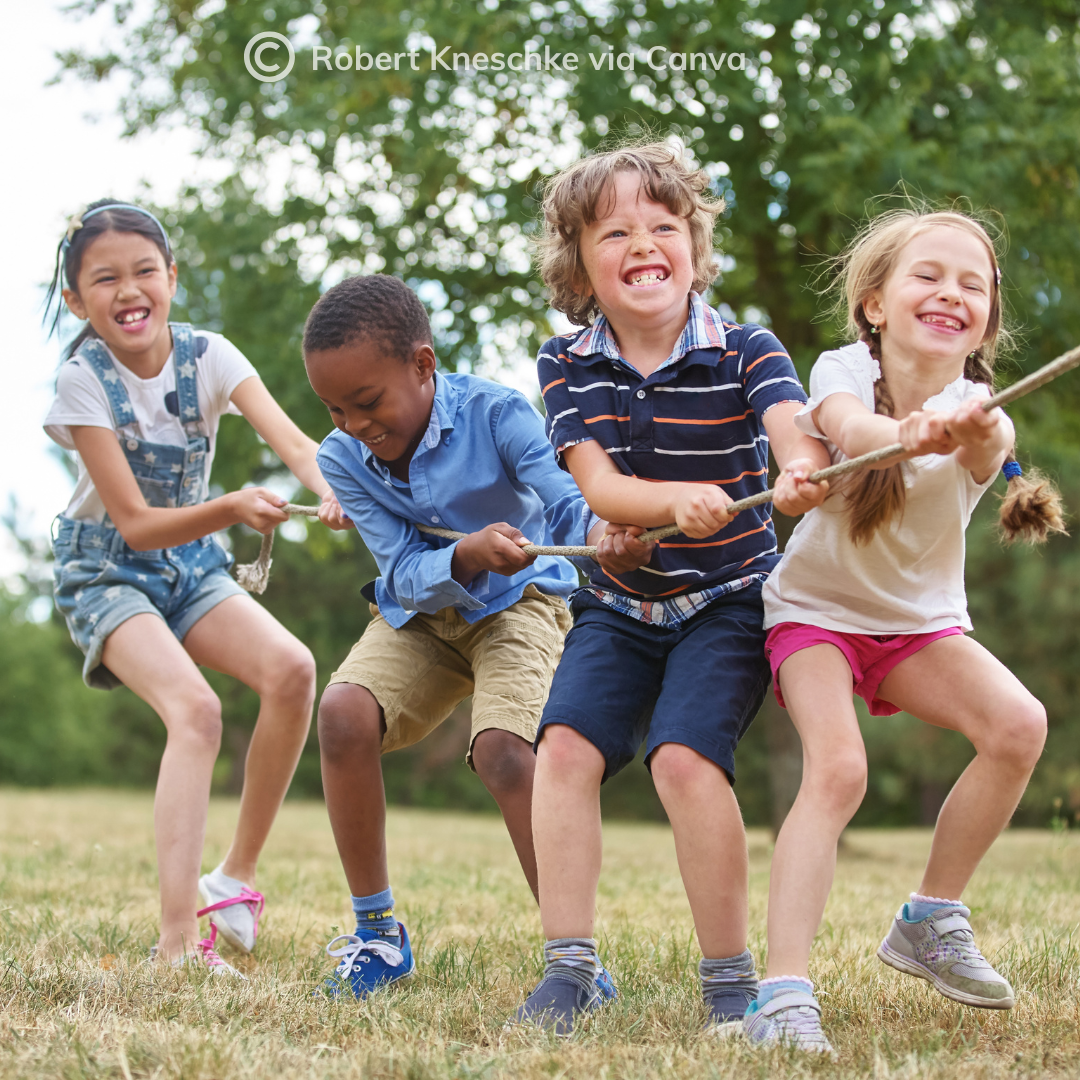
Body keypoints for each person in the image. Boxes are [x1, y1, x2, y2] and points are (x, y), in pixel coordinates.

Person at [520, 141, 831, 1036]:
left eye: (663, 225)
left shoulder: (746, 346)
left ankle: (729, 983)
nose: (642, 242)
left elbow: (790, 428)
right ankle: (569, 968)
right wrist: (670, 501)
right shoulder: (564, 362)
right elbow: (601, 487)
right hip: (619, 606)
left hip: (729, 600)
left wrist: (804, 467)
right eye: (613, 231)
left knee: (685, 761)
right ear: (578, 262)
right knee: (566, 754)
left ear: (693, 247)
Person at [749, 208, 1063, 1052]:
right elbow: (849, 429)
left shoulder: (980, 406)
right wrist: (903, 433)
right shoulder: (842, 367)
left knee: (1017, 725)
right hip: (815, 616)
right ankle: (779, 998)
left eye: (973, 285)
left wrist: (966, 430)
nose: (951, 293)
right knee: (840, 769)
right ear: (876, 302)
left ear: (988, 318)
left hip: (917, 628)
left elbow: (988, 442)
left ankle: (930, 917)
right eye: (929, 275)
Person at [303, 273, 649, 998]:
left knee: (504, 752)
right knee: (340, 715)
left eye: (368, 403)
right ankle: (377, 934)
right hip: (423, 615)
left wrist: (603, 534)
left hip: (522, 603)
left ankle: (574, 958)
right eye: (335, 408)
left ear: (423, 366)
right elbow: (399, 573)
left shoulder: (498, 412)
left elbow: (562, 499)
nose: (355, 423)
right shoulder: (341, 458)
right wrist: (463, 554)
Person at [43, 200, 351, 975]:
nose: (129, 289)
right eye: (104, 279)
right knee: (197, 710)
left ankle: (233, 881)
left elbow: (294, 441)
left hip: (190, 566)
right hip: (108, 565)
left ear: (171, 279)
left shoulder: (210, 356)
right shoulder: (82, 383)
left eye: (145, 270)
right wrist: (234, 505)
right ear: (79, 301)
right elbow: (138, 523)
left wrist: (335, 488)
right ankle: (178, 943)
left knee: (292, 671)